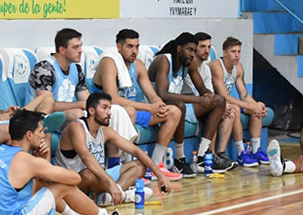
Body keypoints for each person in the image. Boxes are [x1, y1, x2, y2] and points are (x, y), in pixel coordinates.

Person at [0, 109, 146, 215]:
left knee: (41, 181)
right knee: (64, 186)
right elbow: (75, 178)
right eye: (40, 131)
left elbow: (37, 183)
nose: (43, 135)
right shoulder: (27, 161)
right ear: (29, 135)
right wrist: (43, 161)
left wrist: (42, 163)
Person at [93, 28, 183, 180]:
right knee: (127, 111)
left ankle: (156, 165)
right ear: (119, 46)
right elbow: (112, 99)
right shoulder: (109, 63)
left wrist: (159, 105)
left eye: (136, 46)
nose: (134, 51)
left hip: (134, 110)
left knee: (174, 111)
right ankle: (120, 166)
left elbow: (152, 95)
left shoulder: (138, 65)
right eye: (130, 46)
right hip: (108, 112)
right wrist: (149, 107)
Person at [57, 92, 170, 206]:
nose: (109, 112)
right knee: (88, 174)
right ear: (91, 111)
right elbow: (86, 157)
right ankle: (122, 195)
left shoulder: (105, 131)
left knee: (140, 165)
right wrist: (111, 183)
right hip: (74, 181)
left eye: (109, 108)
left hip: (99, 178)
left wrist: (159, 174)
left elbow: (135, 151)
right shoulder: (76, 127)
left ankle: (113, 195)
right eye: (104, 108)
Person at [148, 32, 228, 177]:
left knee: (220, 101)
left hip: (177, 107)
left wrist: (208, 96)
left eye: (194, 51)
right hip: (155, 107)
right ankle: (180, 159)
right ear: (179, 48)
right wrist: (198, 100)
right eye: (189, 50)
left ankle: (202, 156)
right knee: (180, 105)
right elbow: (163, 94)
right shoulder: (164, 60)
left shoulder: (188, 64)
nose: (192, 54)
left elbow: (202, 89)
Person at [210, 37, 271, 167]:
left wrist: (256, 105)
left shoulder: (238, 68)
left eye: (239, 51)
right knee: (236, 109)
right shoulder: (217, 66)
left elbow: (244, 94)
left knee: (256, 110)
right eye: (233, 51)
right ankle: (241, 153)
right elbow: (224, 96)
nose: (237, 55)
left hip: (228, 103)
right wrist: (250, 106)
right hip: (216, 103)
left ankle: (256, 150)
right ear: (225, 52)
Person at [184, 33, 237, 171]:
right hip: (190, 105)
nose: (206, 50)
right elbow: (196, 95)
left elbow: (209, 93)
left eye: (209, 47)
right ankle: (207, 155)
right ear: (195, 48)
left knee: (229, 112)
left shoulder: (206, 68)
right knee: (217, 109)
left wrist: (222, 106)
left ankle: (220, 154)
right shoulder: (189, 66)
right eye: (202, 47)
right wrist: (218, 105)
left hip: (202, 104)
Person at [29, 28, 89, 124]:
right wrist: (80, 105)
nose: (80, 51)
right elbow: (46, 106)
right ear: (62, 50)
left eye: (81, 46)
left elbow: (86, 99)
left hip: (69, 115)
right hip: (40, 119)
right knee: (77, 114)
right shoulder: (44, 69)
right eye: (75, 47)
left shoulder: (77, 69)